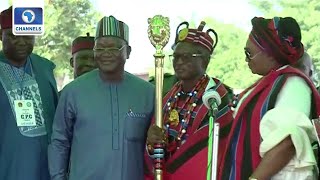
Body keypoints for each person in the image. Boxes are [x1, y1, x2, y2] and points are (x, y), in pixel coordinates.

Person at [48, 16, 154, 180]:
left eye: (113, 48)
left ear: (128, 52)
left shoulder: (148, 93)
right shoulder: (73, 92)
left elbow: (155, 146)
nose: (106, 54)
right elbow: (59, 142)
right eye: (100, 48)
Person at [218, 16, 320, 180]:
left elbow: (288, 142)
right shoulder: (269, 83)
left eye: (249, 53)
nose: (246, 60)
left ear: (270, 53)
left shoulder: (293, 84)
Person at [145, 21, 234, 180]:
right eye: (176, 56)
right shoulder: (168, 95)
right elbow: (157, 151)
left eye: (186, 57)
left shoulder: (215, 97)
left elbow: (220, 152)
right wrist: (151, 144)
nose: (178, 62)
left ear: (205, 60)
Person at [0, 6, 58, 180]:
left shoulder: (45, 68)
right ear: (1, 34)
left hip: (45, 168)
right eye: (13, 35)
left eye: (27, 36)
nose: (22, 42)